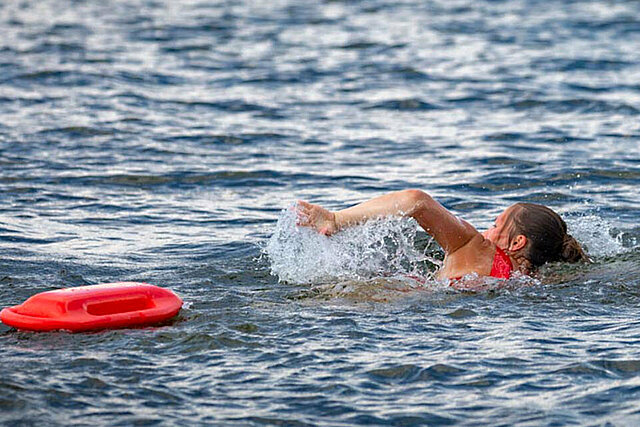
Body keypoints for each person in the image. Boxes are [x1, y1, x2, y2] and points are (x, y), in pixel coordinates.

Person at [296, 189, 589, 281]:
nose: (488, 230)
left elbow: (416, 201)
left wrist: (336, 219)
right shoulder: (528, 279)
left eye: (496, 224)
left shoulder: (480, 248)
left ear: (517, 242)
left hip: (389, 303)